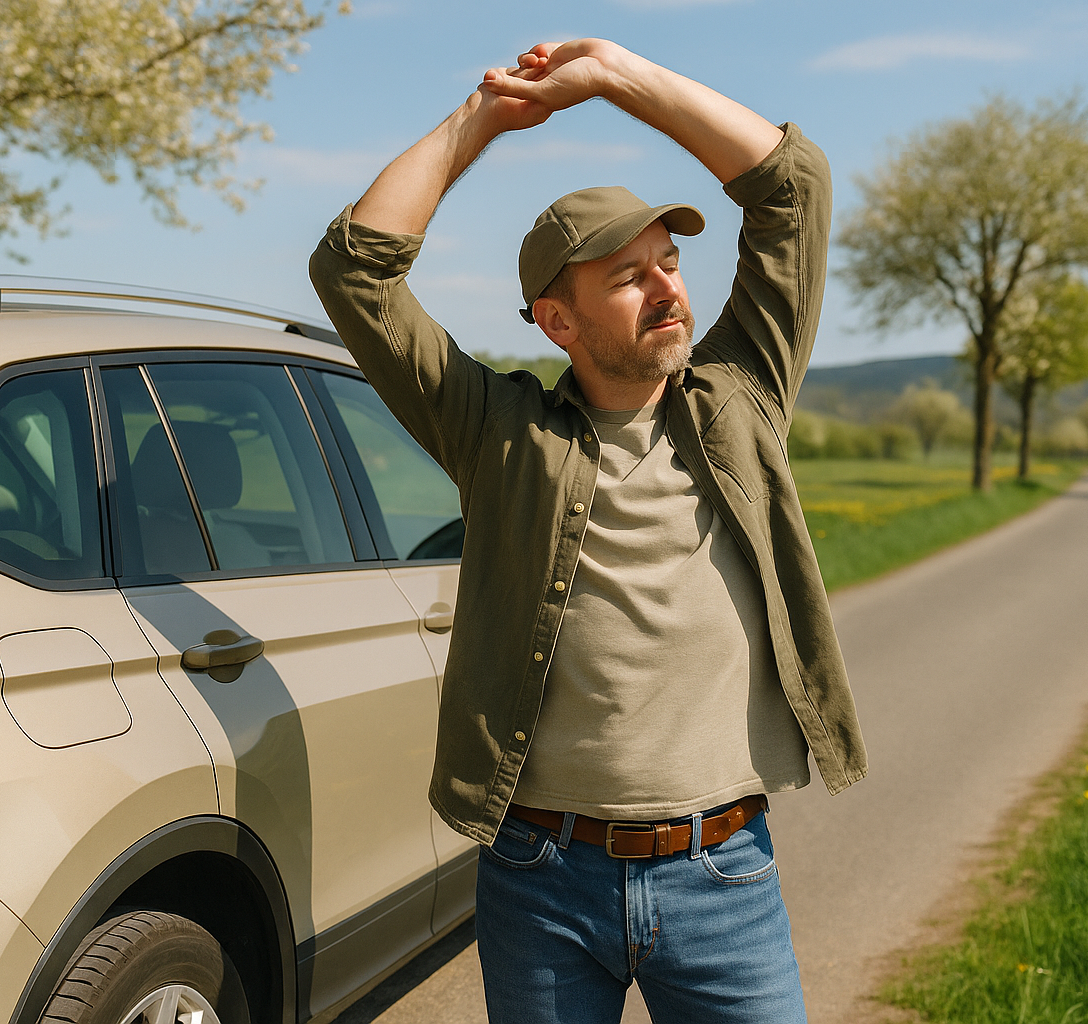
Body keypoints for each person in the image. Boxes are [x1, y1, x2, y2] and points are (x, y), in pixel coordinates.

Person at [309, 38, 866, 1024]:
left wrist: (615, 75)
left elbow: (795, 186)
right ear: (557, 321)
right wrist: (482, 119)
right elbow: (355, 273)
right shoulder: (502, 432)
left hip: (723, 870)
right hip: (541, 876)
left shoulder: (741, 395)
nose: (667, 289)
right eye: (627, 275)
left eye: (670, 260)